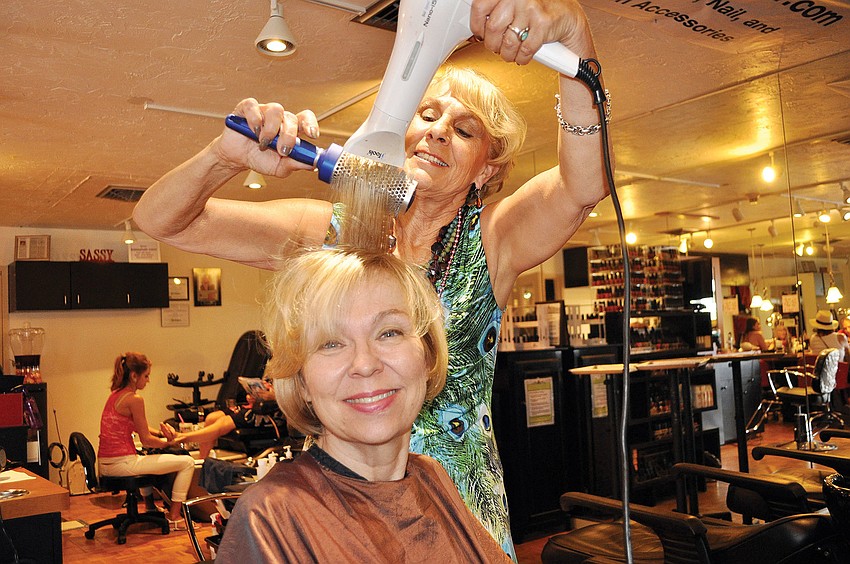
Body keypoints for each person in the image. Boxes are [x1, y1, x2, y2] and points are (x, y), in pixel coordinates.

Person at [133, 1, 608, 554]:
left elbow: (584, 183)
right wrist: (225, 156)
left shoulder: (495, 241)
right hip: (341, 501)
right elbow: (160, 220)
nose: (436, 134)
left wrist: (575, 36)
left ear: (488, 168)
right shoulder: (328, 232)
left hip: (458, 511)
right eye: (427, 115)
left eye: (463, 129)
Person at [215, 249, 511, 562]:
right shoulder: (271, 516)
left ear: (427, 358)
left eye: (389, 332)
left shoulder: (430, 476)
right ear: (302, 382)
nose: (365, 364)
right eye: (331, 343)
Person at [97, 352, 196, 528]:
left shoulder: (115, 395)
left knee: (146, 456)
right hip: (122, 464)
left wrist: (160, 434)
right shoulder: (135, 399)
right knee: (187, 462)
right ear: (134, 376)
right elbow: (146, 440)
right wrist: (170, 442)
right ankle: (174, 516)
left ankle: (150, 508)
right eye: (146, 376)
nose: (148, 380)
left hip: (107, 463)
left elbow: (138, 427)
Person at [163, 379, 285, 458]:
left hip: (272, 413)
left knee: (223, 422)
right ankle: (203, 460)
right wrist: (253, 396)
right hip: (258, 407)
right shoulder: (274, 370)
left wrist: (273, 396)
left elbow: (292, 398)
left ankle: (182, 437)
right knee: (212, 417)